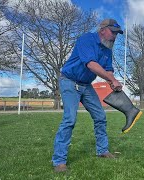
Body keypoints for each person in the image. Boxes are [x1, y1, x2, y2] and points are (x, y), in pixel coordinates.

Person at [52, 19, 124, 172]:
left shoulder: (107, 49)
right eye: (113, 32)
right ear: (103, 29)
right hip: (69, 81)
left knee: (100, 116)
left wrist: (112, 80)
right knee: (70, 119)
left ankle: (102, 150)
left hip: (86, 85)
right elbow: (91, 64)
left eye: (117, 34)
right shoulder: (86, 39)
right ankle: (59, 161)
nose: (115, 36)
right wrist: (111, 79)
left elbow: (108, 69)